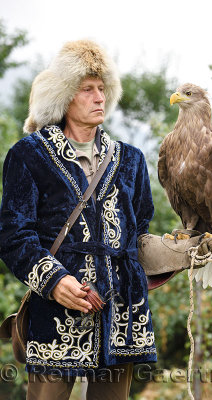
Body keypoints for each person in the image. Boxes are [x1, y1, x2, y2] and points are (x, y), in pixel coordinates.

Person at [0, 40, 157, 400]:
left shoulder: (131, 160)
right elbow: (13, 234)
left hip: (121, 319)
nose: (99, 97)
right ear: (65, 96)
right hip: (55, 318)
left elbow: (140, 234)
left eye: (102, 89)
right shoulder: (30, 155)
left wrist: (185, 249)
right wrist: (54, 281)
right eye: (88, 89)